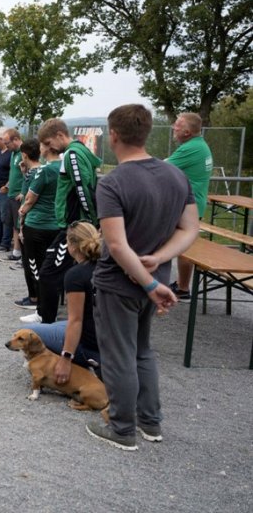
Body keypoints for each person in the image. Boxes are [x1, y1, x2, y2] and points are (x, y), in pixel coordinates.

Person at [86, 104, 198, 451]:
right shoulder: (176, 176)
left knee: (119, 355)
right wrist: (159, 261)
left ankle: (122, 428)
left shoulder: (113, 182)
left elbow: (117, 245)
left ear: (113, 135)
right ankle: (150, 422)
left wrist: (149, 284)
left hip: (121, 285)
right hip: (158, 280)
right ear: (147, 132)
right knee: (142, 351)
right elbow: (190, 229)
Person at [35, 118, 101, 324]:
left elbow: (83, 189)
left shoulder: (72, 154)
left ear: (60, 135)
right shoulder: (77, 151)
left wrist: (91, 222)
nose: (48, 148)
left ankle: (47, 323)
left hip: (74, 225)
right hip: (75, 223)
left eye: (49, 143)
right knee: (74, 270)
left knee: (48, 273)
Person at [21, 221, 102, 378]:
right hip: (109, 335)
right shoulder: (106, 266)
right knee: (55, 326)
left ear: (72, 246)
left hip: (90, 341)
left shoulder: (75, 275)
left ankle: (84, 361)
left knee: (27, 332)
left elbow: (76, 321)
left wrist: (66, 358)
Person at [165, 112, 212, 301]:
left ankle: (181, 288)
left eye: (177, 125)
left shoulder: (191, 148)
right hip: (193, 204)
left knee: (182, 245)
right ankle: (182, 287)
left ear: (187, 132)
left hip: (187, 206)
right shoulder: (199, 145)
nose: (173, 127)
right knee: (184, 245)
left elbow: (161, 168)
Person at [14, 139, 59, 317]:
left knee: (32, 263)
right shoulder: (60, 168)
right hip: (55, 223)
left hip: (36, 222)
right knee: (48, 264)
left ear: (24, 155)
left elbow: (29, 197)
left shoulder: (42, 171)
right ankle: (43, 299)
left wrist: (22, 215)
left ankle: (35, 298)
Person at [1, 129, 23, 261]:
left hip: (19, 196)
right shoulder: (13, 154)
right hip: (11, 194)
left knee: (21, 226)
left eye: (7, 143)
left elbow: (30, 173)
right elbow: (14, 174)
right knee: (15, 225)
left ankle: (24, 255)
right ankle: (16, 252)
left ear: (15, 139)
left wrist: (23, 192)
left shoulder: (24, 153)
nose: (6, 146)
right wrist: (8, 186)